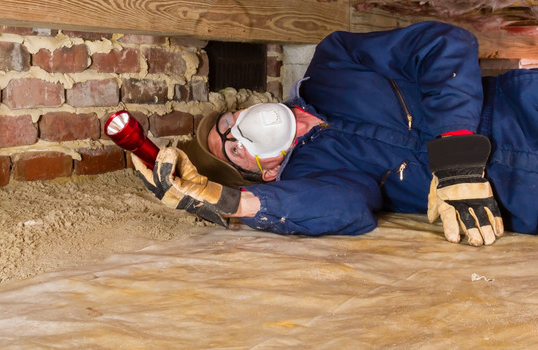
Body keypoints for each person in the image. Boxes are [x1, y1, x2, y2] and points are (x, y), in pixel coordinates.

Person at [132, 21, 538, 247]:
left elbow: (443, 44)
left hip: (524, 110)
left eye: (228, 124)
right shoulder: (313, 177)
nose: (239, 131)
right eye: (235, 149)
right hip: (519, 198)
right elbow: (346, 210)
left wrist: (456, 157)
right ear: (267, 172)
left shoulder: (334, 62)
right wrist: (231, 201)